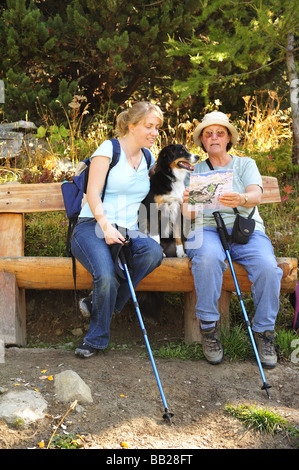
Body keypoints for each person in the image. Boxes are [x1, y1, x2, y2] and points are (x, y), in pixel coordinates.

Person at [182, 111, 282, 368]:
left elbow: (256, 195)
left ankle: (264, 332)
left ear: (228, 138)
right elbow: (187, 214)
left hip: (245, 230)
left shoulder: (245, 164)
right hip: (206, 229)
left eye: (219, 133)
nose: (214, 137)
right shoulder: (194, 171)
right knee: (207, 258)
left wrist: (241, 199)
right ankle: (208, 328)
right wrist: (187, 203)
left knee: (269, 268)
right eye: (208, 134)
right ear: (202, 141)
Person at [71, 101, 164, 358]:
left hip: (127, 230)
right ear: (132, 126)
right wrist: (106, 227)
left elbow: (153, 195)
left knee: (154, 253)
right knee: (107, 275)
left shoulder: (148, 157)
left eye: (157, 127)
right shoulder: (108, 150)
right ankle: (96, 339)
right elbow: (92, 194)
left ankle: (100, 303)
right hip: (92, 225)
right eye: (149, 126)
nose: (155, 132)